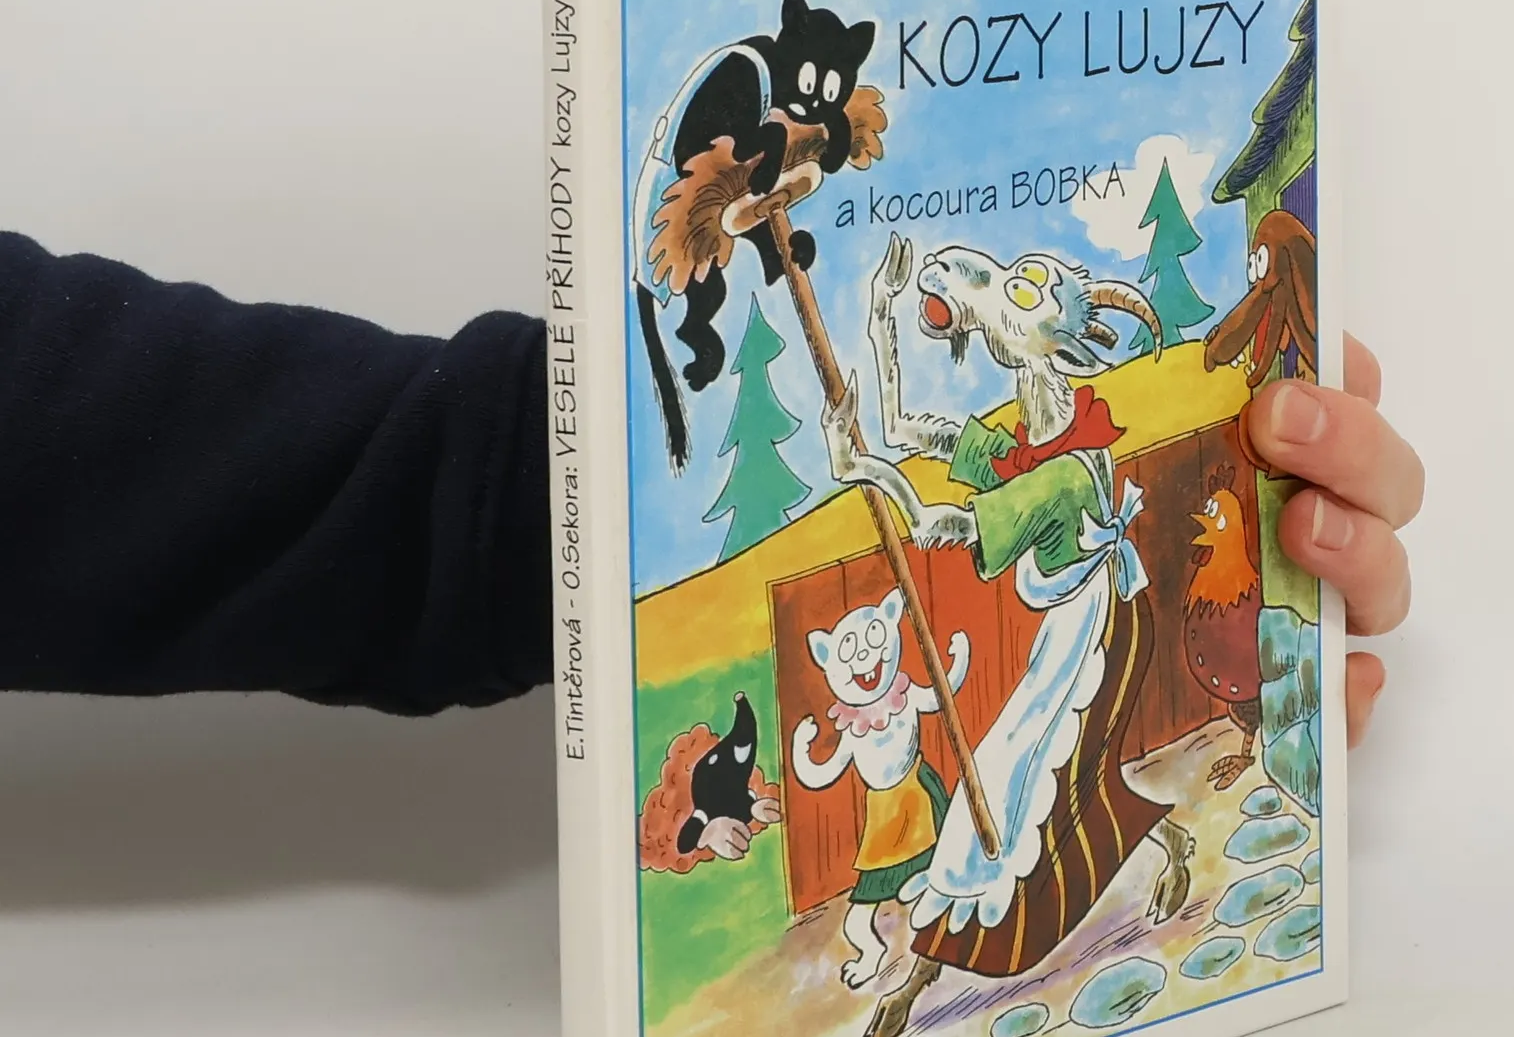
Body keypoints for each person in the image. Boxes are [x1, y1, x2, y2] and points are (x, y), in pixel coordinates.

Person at [0, 231, 1422, 737]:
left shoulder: (1081, 434)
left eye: (1010, 299)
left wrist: (546, 489)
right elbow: (937, 461)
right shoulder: (1011, 429)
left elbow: (962, 508)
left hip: (1068, 616)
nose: (982, 308)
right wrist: (881, 379)